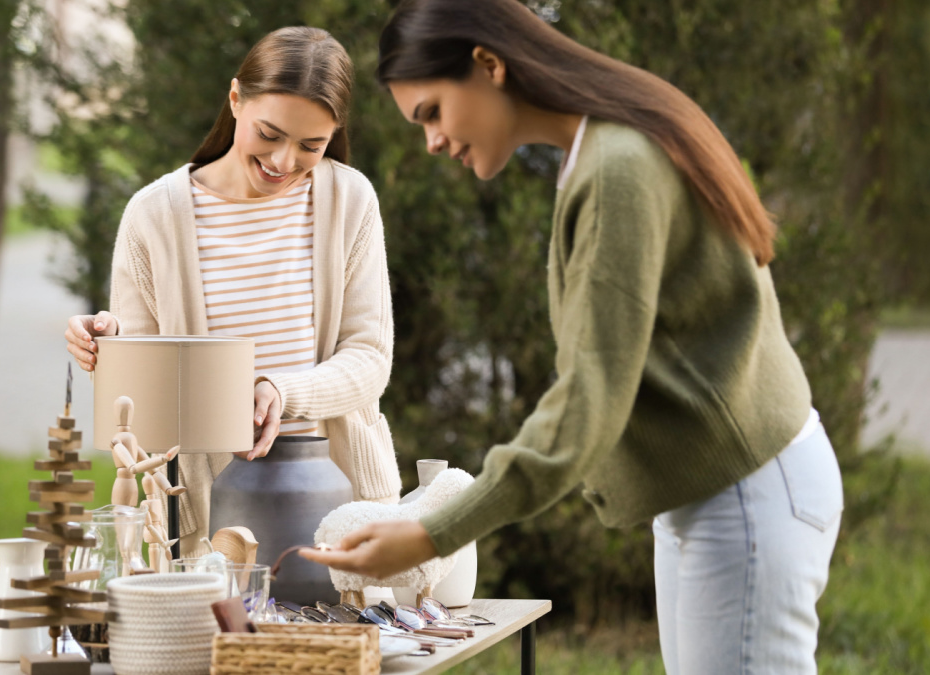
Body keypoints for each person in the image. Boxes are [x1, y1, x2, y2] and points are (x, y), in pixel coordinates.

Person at [301, 1, 843, 672]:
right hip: (724, 491)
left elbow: (588, 402)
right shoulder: (603, 150)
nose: (431, 142)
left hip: (743, 496)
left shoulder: (616, 166)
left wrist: (429, 533)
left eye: (432, 112)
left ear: (488, 65)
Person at [65, 26, 401, 556]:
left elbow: (370, 357)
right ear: (235, 98)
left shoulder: (350, 200)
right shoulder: (154, 216)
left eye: (311, 145)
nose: (284, 163)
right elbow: (140, 411)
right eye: (270, 134)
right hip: (206, 523)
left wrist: (283, 393)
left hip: (345, 513)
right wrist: (111, 346)